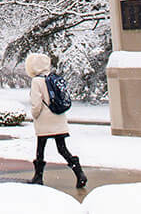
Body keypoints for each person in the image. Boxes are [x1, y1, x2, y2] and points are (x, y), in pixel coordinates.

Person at [25, 53, 87, 188]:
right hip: (58, 118)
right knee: (62, 148)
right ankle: (79, 172)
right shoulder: (54, 78)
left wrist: (34, 115)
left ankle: (38, 176)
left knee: (40, 148)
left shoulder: (37, 81)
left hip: (44, 120)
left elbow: (36, 104)